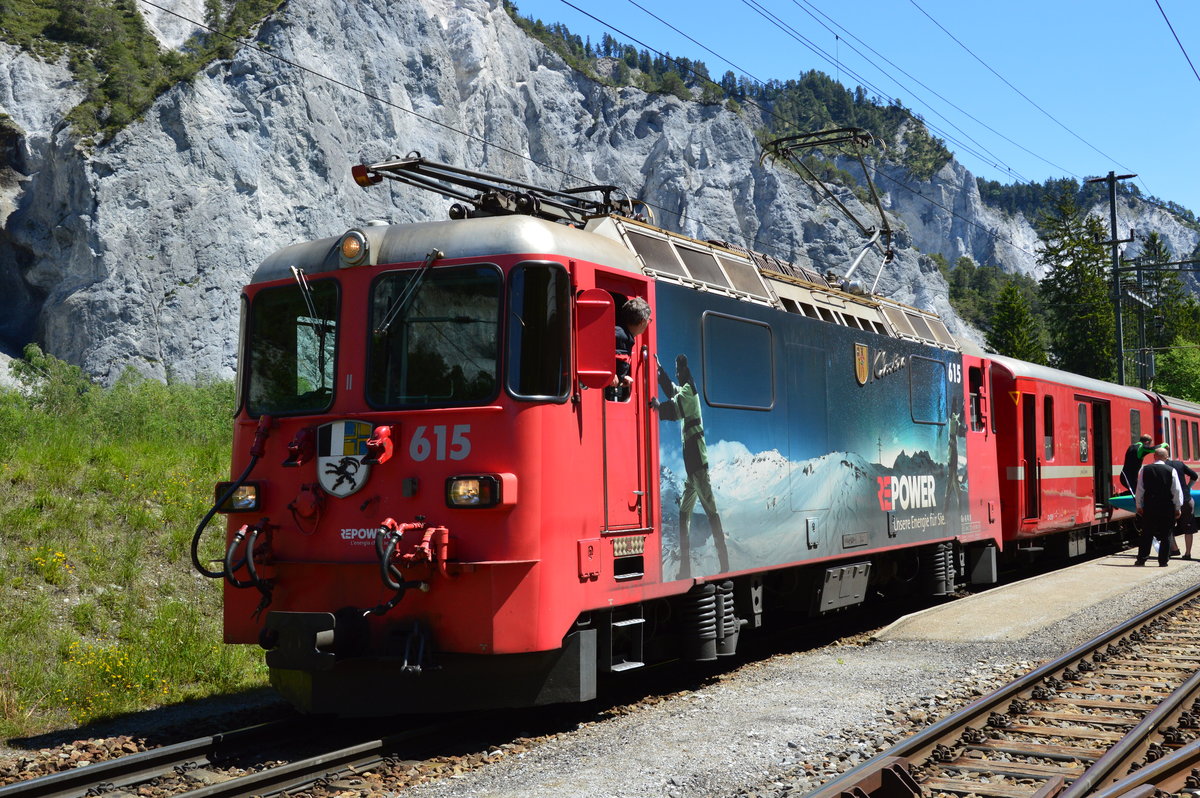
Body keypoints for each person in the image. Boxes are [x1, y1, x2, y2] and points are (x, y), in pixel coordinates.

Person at [656, 353, 729, 579]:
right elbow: (672, 390)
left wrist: (658, 407)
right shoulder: (686, 389)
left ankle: (724, 564)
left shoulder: (690, 391)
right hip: (692, 470)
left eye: (678, 370)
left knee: (711, 512)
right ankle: (685, 569)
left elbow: (675, 406)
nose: (677, 373)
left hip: (698, 465)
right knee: (684, 513)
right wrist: (659, 372)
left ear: (684, 371)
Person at [1135, 446, 1183, 567]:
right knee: (1166, 534)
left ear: (1154, 456)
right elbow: (1176, 491)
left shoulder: (1145, 469)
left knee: (1147, 533)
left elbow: (1140, 489)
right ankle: (1163, 561)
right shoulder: (1171, 470)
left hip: (1150, 506)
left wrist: (1139, 505)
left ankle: (1142, 559)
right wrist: (1178, 507)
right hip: (1166, 506)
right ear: (1166, 457)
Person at [607, 297, 651, 402]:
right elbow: (595, 353)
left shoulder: (626, 338)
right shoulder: (618, 335)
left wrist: (621, 379)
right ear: (642, 321)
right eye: (649, 320)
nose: (648, 323)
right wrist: (608, 373)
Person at [1165, 446, 1198, 559]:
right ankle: (1188, 553)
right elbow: (1195, 476)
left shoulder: (1160, 467)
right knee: (1189, 527)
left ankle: (1174, 549)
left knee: (1168, 526)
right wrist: (1188, 487)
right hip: (1186, 499)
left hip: (1170, 502)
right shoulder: (1179, 464)